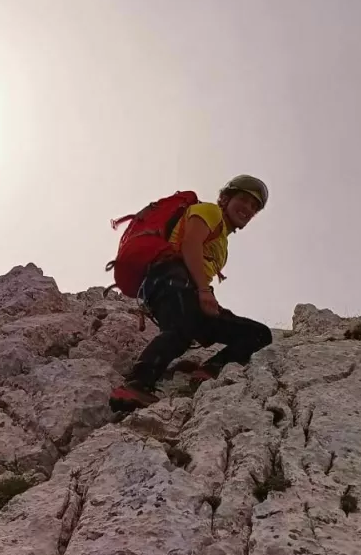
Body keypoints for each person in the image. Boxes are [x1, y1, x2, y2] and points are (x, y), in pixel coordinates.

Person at [109, 175, 273, 411]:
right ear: (225, 198)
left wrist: (205, 294)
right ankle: (136, 385)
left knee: (258, 334)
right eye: (243, 199)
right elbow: (190, 244)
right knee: (180, 329)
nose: (248, 208)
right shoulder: (210, 212)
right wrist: (205, 291)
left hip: (187, 289)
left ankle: (208, 371)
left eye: (254, 206)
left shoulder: (223, 244)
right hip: (170, 278)